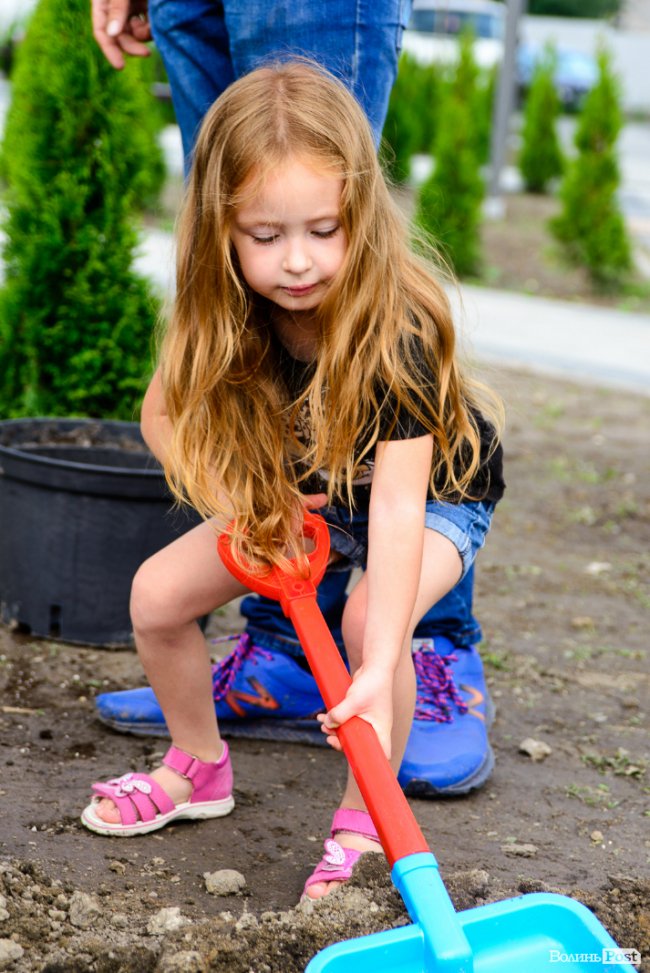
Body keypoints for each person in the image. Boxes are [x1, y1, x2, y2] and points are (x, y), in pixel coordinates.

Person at [81, 61, 505, 901]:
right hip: (304, 492)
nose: (299, 262)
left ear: (361, 215)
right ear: (222, 228)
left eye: (324, 228)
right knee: (157, 595)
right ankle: (198, 766)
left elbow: (394, 506)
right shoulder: (220, 309)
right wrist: (243, 503)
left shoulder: (401, 327)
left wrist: (378, 662)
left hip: (430, 495)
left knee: (363, 623)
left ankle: (363, 824)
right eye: (266, 236)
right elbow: (161, 419)